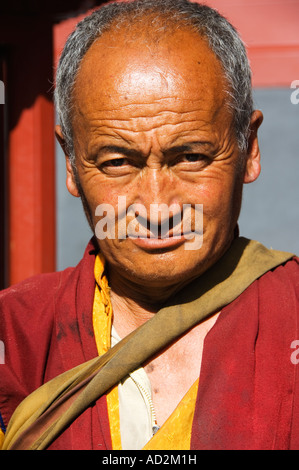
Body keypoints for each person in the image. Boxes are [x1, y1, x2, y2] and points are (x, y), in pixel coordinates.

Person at [0, 0, 299, 451]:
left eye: (192, 157)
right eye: (118, 162)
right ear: (71, 163)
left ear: (248, 148)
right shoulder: (16, 335)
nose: (157, 209)